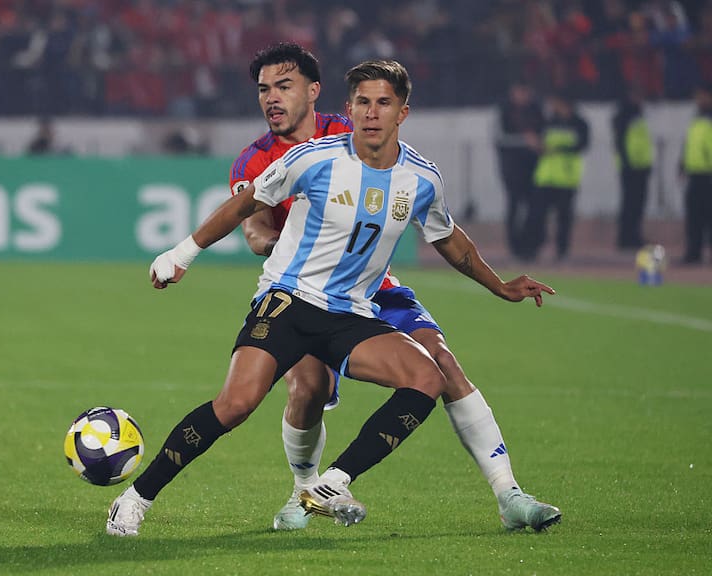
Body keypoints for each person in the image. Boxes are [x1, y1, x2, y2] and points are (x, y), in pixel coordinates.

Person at [105, 59, 557, 538]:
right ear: (349, 108)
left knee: (428, 374)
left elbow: (448, 238)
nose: (372, 112)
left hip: (353, 310)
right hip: (290, 299)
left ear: (403, 112)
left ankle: (332, 483)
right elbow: (246, 206)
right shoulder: (312, 158)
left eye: (383, 103)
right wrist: (181, 254)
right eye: (363, 102)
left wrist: (500, 286)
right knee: (237, 404)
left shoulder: (422, 178)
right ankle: (134, 499)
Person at [232, 43, 561, 533]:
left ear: (313, 91)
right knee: (308, 388)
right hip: (307, 293)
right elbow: (253, 228)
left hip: (376, 287)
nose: (272, 99)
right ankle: (304, 491)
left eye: (284, 86)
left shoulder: (353, 130)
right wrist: (293, 243)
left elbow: (434, 218)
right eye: (264, 90)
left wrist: (498, 285)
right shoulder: (253, 159)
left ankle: (509, 495)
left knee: (442, 362)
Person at [523, 91, 590, 262]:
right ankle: (533, 249)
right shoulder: (548, 121)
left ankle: (562, 251)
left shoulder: (579, 124)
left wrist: (557, 149)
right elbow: (538, 143)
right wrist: (535, 145)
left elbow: (582, 144)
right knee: (537, 215)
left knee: (564, 217)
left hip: (566, 178)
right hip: (545, 176)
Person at [494, 78, 544, 258]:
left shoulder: (536, 109)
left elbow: (543, 133)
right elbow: (500, 138)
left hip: (534, 167)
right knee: (514, 206)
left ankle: (531, 246)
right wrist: (526, 139)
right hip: (512, 169)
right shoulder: (504, 111)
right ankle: (515, 248)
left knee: (535, 207)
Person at [612, 86, 654, 250]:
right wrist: (627, 163)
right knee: (630, 203)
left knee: (637, 203)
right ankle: (626, 237)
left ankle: (633, 235)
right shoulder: (624, 116)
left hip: (641, 166)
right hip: (630, 167)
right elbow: (621, 143)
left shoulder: (638, 115)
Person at [679, 83, 712, 265]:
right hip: (695, 174)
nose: (698, 100)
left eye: (702, 96)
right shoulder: (697, 118)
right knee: (694, 217)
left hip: (708, 174)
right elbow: (689, 144)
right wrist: (682, 165)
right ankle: (693, 252)